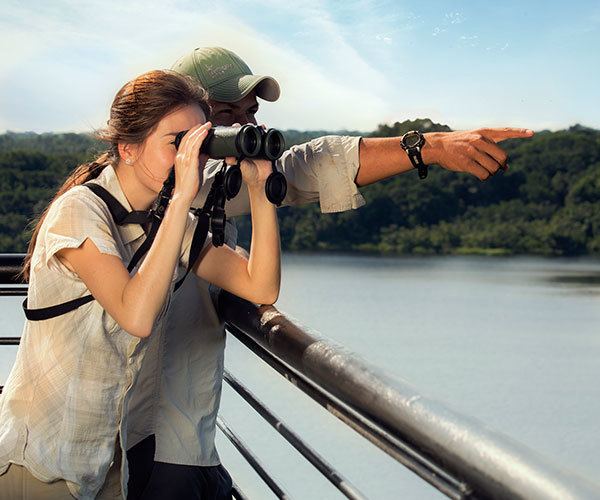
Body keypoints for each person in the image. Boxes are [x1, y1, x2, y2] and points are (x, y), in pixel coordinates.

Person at [123, 47, 535, 498]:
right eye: (226, 114)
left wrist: (430, 146)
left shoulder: (217, 182)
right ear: (184, 123)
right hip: (145, 443)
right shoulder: (151, 197)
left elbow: (309, 165)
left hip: (191, 442)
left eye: (250, 114)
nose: (245, 129)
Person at [0, 69, 280, 499]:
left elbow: (259, 287)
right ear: (128, 149)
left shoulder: (168, 221)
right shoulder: (79, 210)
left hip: (107, 466)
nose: (194, 159)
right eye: (178, 144)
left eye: (200, 145)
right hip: (41, 465)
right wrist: (184, 196)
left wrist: (261, 190)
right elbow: (136, 315)